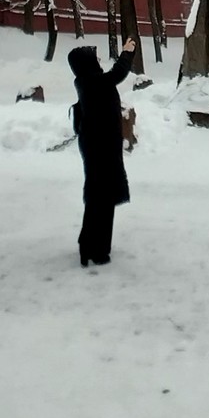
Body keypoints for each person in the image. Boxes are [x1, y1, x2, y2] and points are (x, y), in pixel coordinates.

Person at [68, 37, 136, 267]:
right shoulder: (93, 81)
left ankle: (91, 245)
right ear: (86, 63)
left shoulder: (89, 80)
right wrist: (127, 52)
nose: (98, 60)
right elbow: (118, 74)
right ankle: (95, 249)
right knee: (102, 198)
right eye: (95, 58)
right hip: (101, 147)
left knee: (100, 197)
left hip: (100, 145)